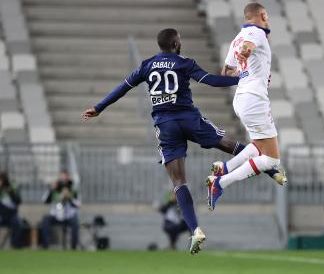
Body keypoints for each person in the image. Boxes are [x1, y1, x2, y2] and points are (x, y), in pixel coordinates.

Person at [82, 28, 282, 254]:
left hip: (166, 126)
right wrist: (243, 77)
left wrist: (99, 107)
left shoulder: (147, 65)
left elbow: (123, 87)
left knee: (179, 182)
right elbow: (211, 81)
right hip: (189, 118)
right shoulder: (184, 62)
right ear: (176, 43)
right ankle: (271, 169)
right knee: (228, 145)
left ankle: (195, 230)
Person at [206, 3, 287, 211]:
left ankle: (225, 168)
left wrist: (243, 65)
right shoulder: (255, 31)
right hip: (254, 98)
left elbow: (226, 72)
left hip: (241, 98)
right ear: (263, 14)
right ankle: (221, 182)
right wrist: (246, 51)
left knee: (258, 147)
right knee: (271, 159)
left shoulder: (236, 38)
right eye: (266, 17)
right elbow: (249, 45)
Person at [40, 171, 81, 249]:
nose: (63, 181)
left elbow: (78, 204)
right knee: (45, 219)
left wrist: (69, 197)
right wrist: (51, 190)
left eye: (65, 178)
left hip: (69, 215)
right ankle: (46, 245)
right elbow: (44, 201)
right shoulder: (54, 190)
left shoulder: (73, 190)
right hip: (55, 215)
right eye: (61, 178)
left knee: (75, 221)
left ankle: (73, 246)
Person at [0, 171, 22, 248]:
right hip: (1, 214)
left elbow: (18, 200)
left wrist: (10, 192)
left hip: (11, 214)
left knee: (18, 223)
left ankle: (14, 245)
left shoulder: (12, 187)